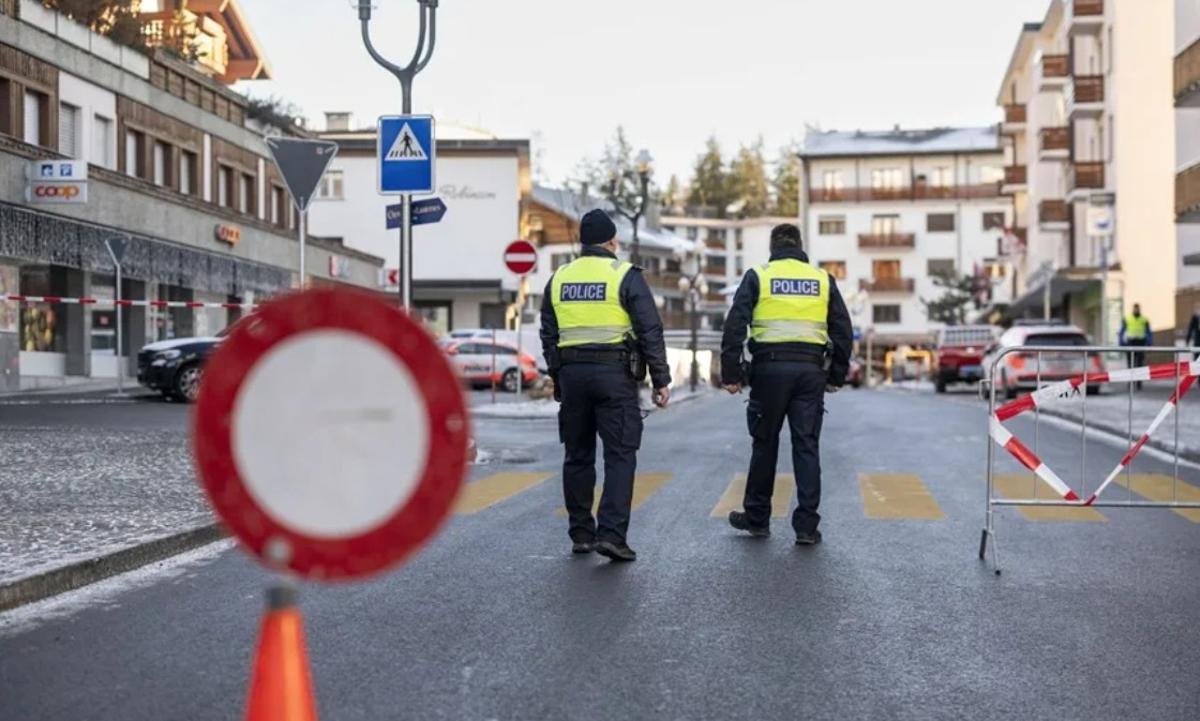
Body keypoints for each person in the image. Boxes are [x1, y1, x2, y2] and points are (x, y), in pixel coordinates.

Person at [540, 209, 671, 562]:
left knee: (577, 455)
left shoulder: (559, 277)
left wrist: (558, 375)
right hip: (615, 376)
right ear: (612, 241)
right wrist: (661, 379)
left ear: (583, 242)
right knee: (620, 454)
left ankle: (582, 534)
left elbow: (548, 332)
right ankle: (612, 535)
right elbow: (649, 329)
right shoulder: (624, 275)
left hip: (573, 375)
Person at [719, 223, 852, 546]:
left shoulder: (758, 275)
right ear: (800, 245)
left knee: (764, 444)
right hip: (810, 372)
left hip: (769, 371)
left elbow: (735, 325)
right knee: (806, 446)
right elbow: (842, 330)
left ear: (773, 247)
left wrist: (731, 374)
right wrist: (836, 376)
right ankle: (806, 526)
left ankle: (757, 518)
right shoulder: (822, 279)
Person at [1119, 303, 1151, 389]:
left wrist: (1149, 342)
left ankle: (1139, 383)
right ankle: (1130, 383)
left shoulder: (1144, 319)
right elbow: (1121, 331)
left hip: (1140, 342)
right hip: (1130, 343)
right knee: (1130, 365)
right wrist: (1121, 342)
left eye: (1137, 308)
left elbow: (1148, 331)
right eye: (1135, 308)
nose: (1136, 310)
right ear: (1133, 309)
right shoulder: (1127, 318)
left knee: (1140, 364)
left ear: (1139, 309)